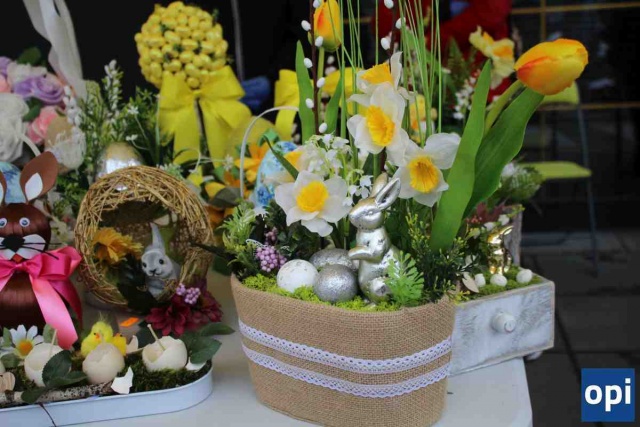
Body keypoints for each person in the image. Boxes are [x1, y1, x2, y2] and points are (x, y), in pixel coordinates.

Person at [376, 0, 512, 52]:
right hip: (417, 71)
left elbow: (492, 13)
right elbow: (384, 28)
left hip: (475, 62)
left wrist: (431, 41)